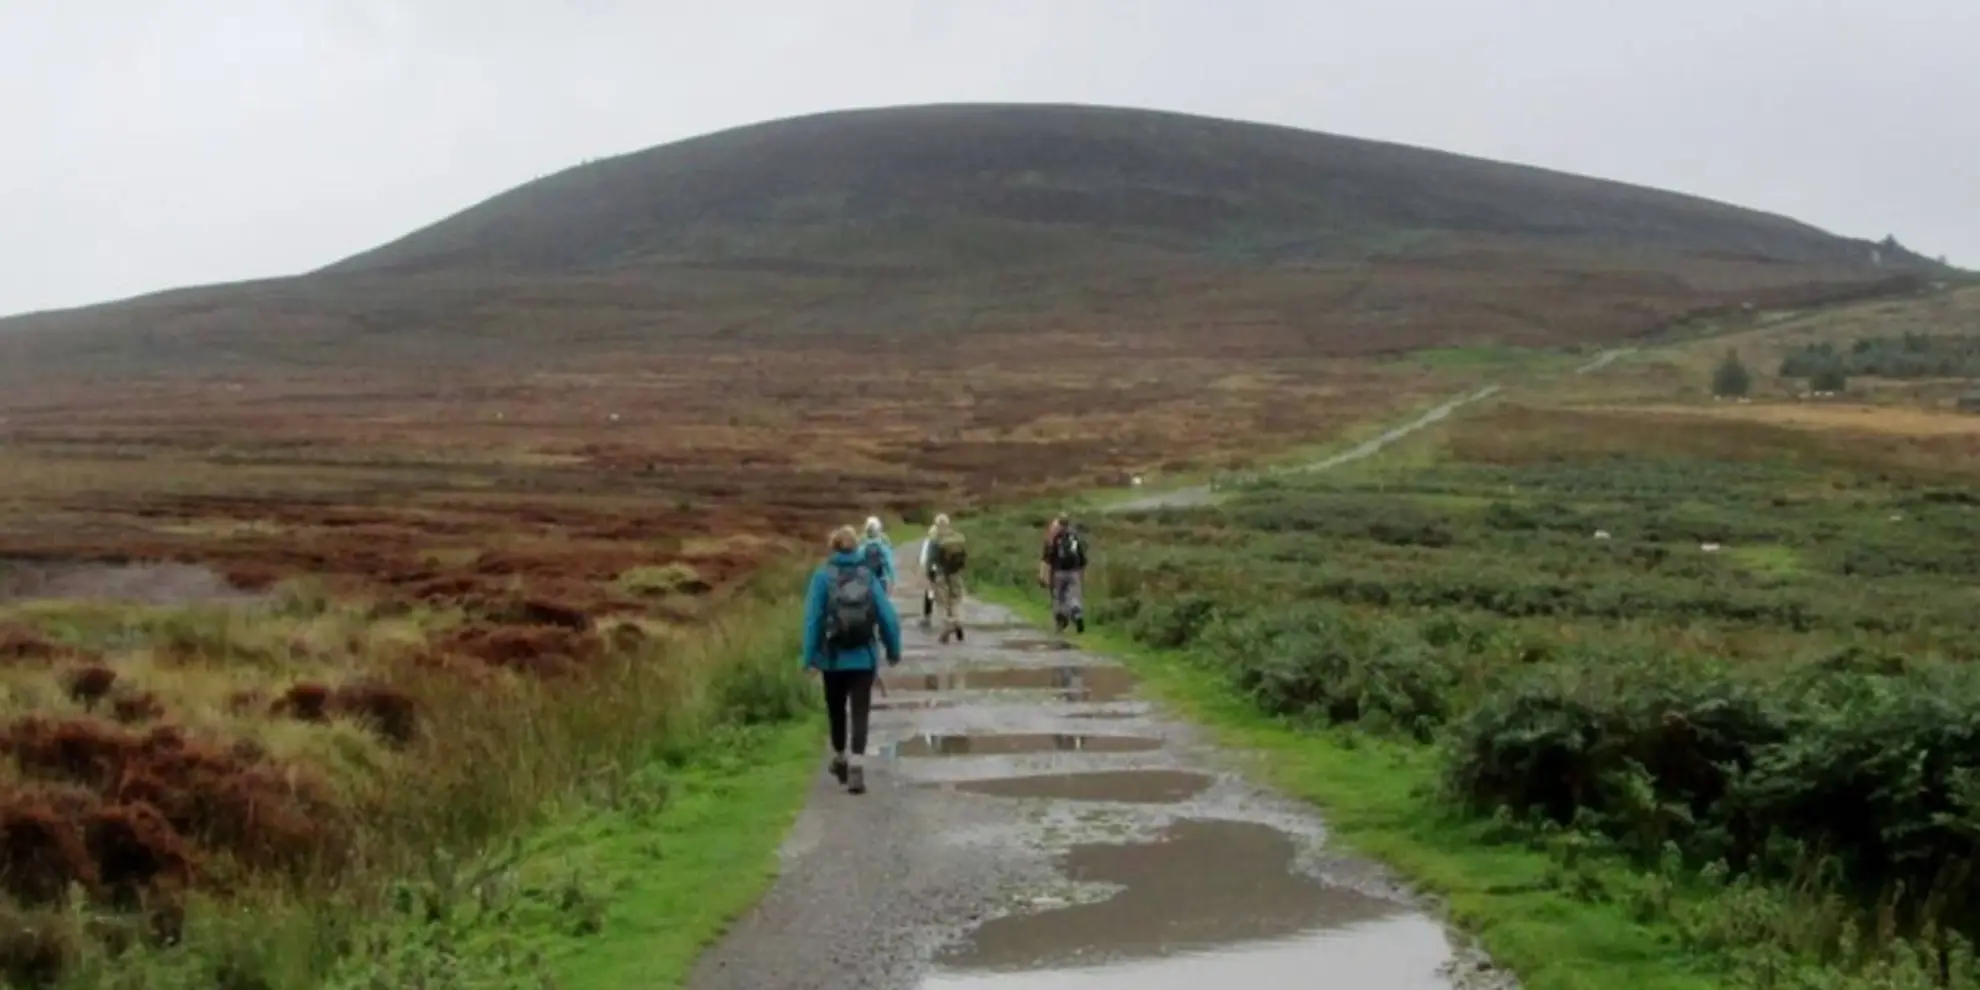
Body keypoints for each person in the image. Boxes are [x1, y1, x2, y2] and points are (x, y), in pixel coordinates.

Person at [802, 525, 903, 794]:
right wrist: (893, 650)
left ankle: (841, 757)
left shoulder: (822, 578)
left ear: (832, 548)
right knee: (860, 711)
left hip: (832, 660)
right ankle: (857, 764)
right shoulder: (868, 577)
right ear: (856, 547)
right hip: (864, 658)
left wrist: (809, 657)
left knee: (836, 710)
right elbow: (888, 618)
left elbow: (813, 620)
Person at [923, 513, 968, 644]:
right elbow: (964, 557)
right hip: (955, 574)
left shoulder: (934, 539)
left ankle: (947, 626)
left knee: (942, 602)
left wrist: (929, 575)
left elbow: (930, 560)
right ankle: (958, 621)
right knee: (956, 599)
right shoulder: (957, 538)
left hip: (940, 574)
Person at [1043, 514, 1088, 634]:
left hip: (1058, 573)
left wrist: (1045, 575)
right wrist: (1081, 573)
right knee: (1074, 596)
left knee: (1059, 598)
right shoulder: (1074, 538)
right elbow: (1082, 559)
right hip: (1074, 572)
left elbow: (1048, 559)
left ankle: (1061, 621)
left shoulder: (1054, 538)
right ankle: (1077, 613)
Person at [858, 516, 898, 594]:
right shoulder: (882, 544)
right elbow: (888, 563)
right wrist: (893, 578)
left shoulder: (862, 544)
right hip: (880, 579)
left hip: (865, 580)